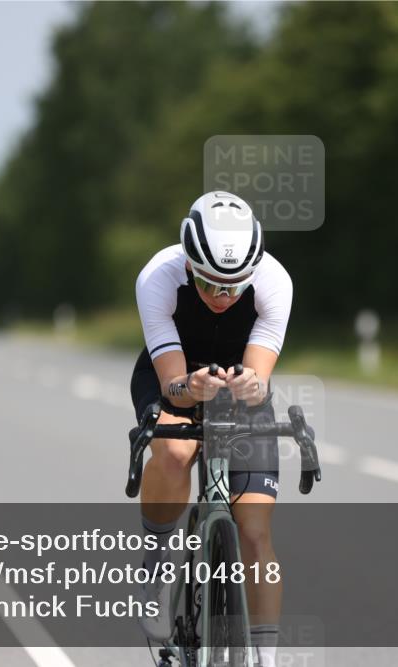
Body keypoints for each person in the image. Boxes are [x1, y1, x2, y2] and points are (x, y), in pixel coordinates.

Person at [131, 191, 291, 667]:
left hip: (237, 384)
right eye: (209, 285)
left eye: (234, 288)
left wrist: (250, 387)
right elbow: (173, 386)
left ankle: (266, 658)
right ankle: (158, 565)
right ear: (188, 265)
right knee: (176, 453)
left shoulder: (274, 281)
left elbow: (259, 380)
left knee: (256, 531)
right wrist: (190, 387)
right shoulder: (157, 277)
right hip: (175, 377)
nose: (222, 298)